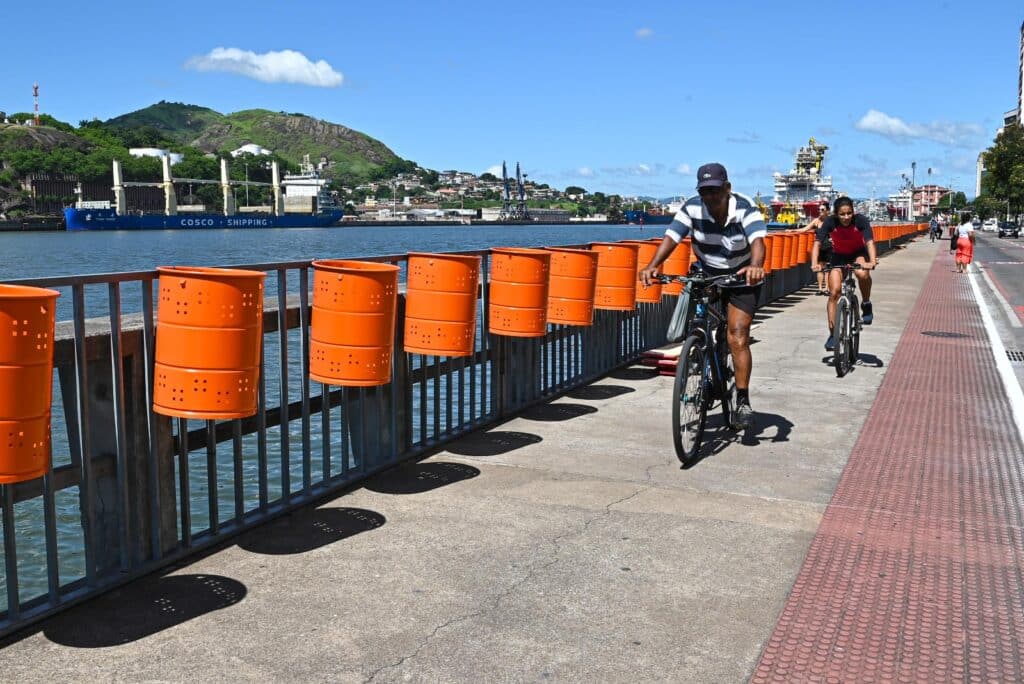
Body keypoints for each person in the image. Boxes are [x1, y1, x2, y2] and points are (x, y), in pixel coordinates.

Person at [640, 163, 767, 430]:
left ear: (727, 189)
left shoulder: (744, 208)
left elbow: (758, 241)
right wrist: (653, 266)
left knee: (737, 335)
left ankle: (742, 400)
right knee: (701, 327)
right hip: (707, 272)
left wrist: (755, 265)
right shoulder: (692, 207)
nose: (710, 197)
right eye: (705, 191)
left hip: (742, 276)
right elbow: (672, 237)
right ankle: (701, 354)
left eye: (715, 191)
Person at [809, 196, 878, 351]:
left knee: (863, 274)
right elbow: (817, 243)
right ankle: (833, 334)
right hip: (838, 256)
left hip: (857, 254)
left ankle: (866, 303)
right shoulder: (829, 222)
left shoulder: (860, 221)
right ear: (836, 214)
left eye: (849, 213)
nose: (846, 217)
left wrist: (872, 261)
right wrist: (814, 263)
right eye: (842, 214)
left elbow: (869, 242)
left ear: (853, 212)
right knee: (834, 292)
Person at [805, 201, 832, 294]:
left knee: (827, 268)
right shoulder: (816, 221)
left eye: (822, 209)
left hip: (829, 247)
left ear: (827, 211)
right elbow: (805, 229)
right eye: (819, 209)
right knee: (820, 268)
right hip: (819, 247)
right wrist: (792, 230)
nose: (820, 211)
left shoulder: (831, 221)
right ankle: (820, 288)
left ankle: (827, 288)